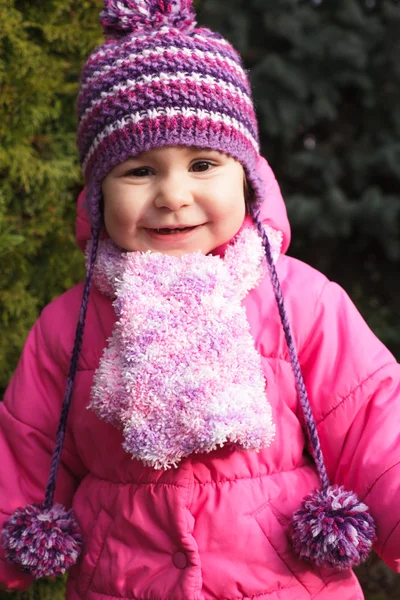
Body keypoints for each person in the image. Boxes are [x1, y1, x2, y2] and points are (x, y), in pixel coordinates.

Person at [0, 1, 399, 598]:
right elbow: (21, 455)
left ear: (248, 178)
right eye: (139, 171)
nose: (173, 195)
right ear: (96, 195)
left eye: (203, 163)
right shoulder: (69, 326)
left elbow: (377, 430)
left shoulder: (305, 303)